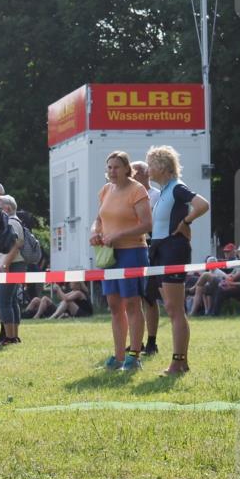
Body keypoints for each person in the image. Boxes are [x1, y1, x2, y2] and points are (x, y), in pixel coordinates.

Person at [145, 145, 210, 375]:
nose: (148, 169)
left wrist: (187, 222)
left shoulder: (177, 188)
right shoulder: (164, 191)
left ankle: (178, 362)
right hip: (161, 251)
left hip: (173, 250)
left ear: (163, 166)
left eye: (151, 164)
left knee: (174, 310)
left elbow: (202, 204)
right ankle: (181, 362)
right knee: (172, 309)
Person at [90, 151, 152, 371]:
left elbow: (146, 225)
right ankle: (118, 357)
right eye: (109, 167)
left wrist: (119, 235)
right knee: (114, 305)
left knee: (132, 303)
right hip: (109, 255)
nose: (112, 171)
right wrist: (95, 232)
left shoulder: (137, 190)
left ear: (127, 169)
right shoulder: (106, 190)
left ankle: (134, 355)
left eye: (116, 167)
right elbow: (98, 219)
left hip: (132, 252)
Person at [132, 161, 162, 356]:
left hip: (150, 247)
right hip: (132, 247)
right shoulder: (129, 194)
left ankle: (152, 341)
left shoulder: (156, 196)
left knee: (149, 297)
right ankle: (136, 341)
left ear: (144, 174)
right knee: (134, 298)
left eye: (133, 173)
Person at [0, 195, 27, 346]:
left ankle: (9, 337)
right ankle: (13, 336)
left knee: (3, 301)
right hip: (15, 264)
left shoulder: (12, 222)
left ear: (6, 208)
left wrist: (4, 264)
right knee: (12, 301)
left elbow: (15, 245)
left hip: (11, 265)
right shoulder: (16, 221)